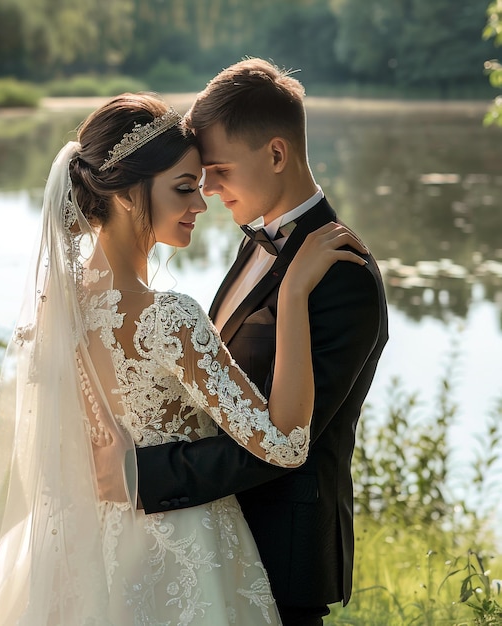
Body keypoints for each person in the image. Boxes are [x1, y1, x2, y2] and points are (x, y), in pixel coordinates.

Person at [0, 92, 368, 626]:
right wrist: (291, 297)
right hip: (184, 553)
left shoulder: (55, 305)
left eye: (202, 185)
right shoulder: (168, 318)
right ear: (128, 195)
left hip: (77, 542)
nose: (202, 203)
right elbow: (288, 443)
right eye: (184, 189)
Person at [134, 59, 390, 625]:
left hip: (283, 555)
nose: (206, 188)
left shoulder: (342, 275)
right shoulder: (257, 238)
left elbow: (285, 442)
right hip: (220, 545)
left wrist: (145, 474)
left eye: (219, 170)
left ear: (277, 155)